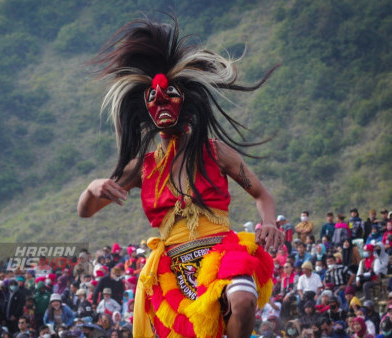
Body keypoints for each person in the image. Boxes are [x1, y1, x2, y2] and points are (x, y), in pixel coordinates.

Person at [77, 16, 283, 338]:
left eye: (169, 95)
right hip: (173, 268)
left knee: (242, 300)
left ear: (185, 99)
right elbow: (85, 210)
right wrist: (92, 187)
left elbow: (262, 195)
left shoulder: (215, 152)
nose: (160, 104)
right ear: (144, 111)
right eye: (153, 100)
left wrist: (269, 222)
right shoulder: (141, 168)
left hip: (221, 252)